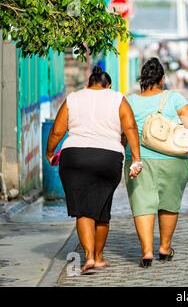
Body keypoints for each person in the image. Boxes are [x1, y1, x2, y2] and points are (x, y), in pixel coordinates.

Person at [46, 66, 143, 273]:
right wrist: (136, 157)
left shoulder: (73, 98)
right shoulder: (118, 99)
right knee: (101, 209)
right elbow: (131, 128)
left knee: (83, 209)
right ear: (108, 85)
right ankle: (98, 257)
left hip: (74, 158)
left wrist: (49, 152)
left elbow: (57, 131)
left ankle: (88, 257)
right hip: (108, 158)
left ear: (87, 84)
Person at [123, 58, 188, 268]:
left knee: (142, 203)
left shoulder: (130, 101)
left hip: (139, 160)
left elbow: (124, 130)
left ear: (142, 80)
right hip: (173, 159)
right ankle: (164, 247)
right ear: (163, 79)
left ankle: (146, 251)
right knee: (169, 203)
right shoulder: (174, 98)